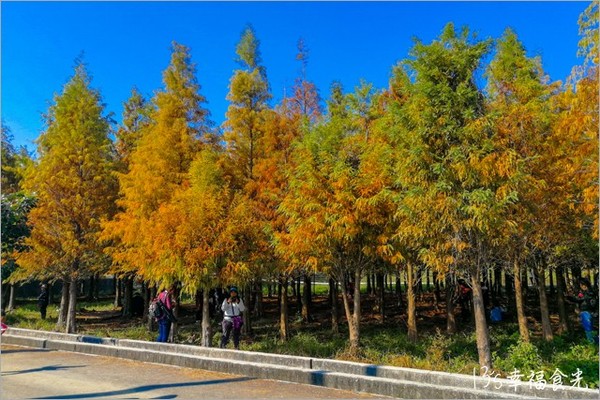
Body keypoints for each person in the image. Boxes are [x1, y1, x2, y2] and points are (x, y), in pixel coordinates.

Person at [569, 278, 598, 344]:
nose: (580, 287)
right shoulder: (591, 292)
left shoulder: (588, 293)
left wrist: (569, 297)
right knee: (591, 329)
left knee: (588, 330)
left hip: (586, 313)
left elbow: (578, 299)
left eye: (581, 285)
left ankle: (592, 345)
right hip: (590, 313)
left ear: (584, 285)